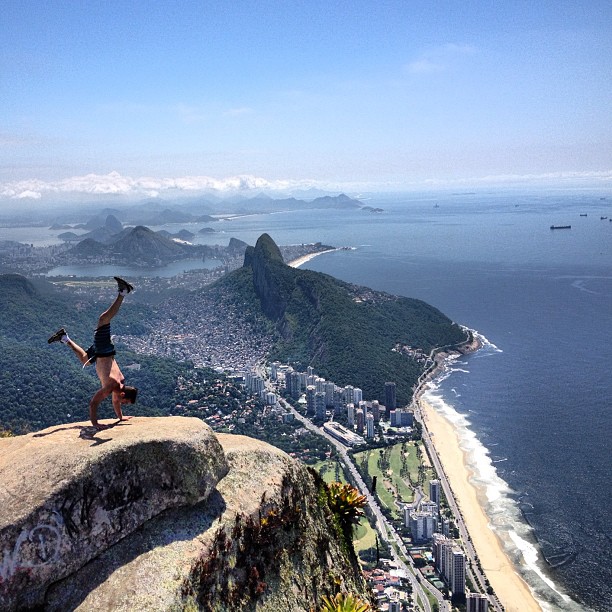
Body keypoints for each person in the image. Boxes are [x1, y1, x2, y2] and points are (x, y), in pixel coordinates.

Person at [48, 276, 138, 430]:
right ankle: (123, 291)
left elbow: (116, 402)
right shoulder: (112, 385)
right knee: (103, 319)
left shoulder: (120, 384)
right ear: (123, 395)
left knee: (85, 360)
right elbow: (93, 403)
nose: (122, 403)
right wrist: (95, 424)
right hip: (103, 349)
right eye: (125, 402)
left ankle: (64, 338)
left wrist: (120, 418)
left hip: (101, 354)